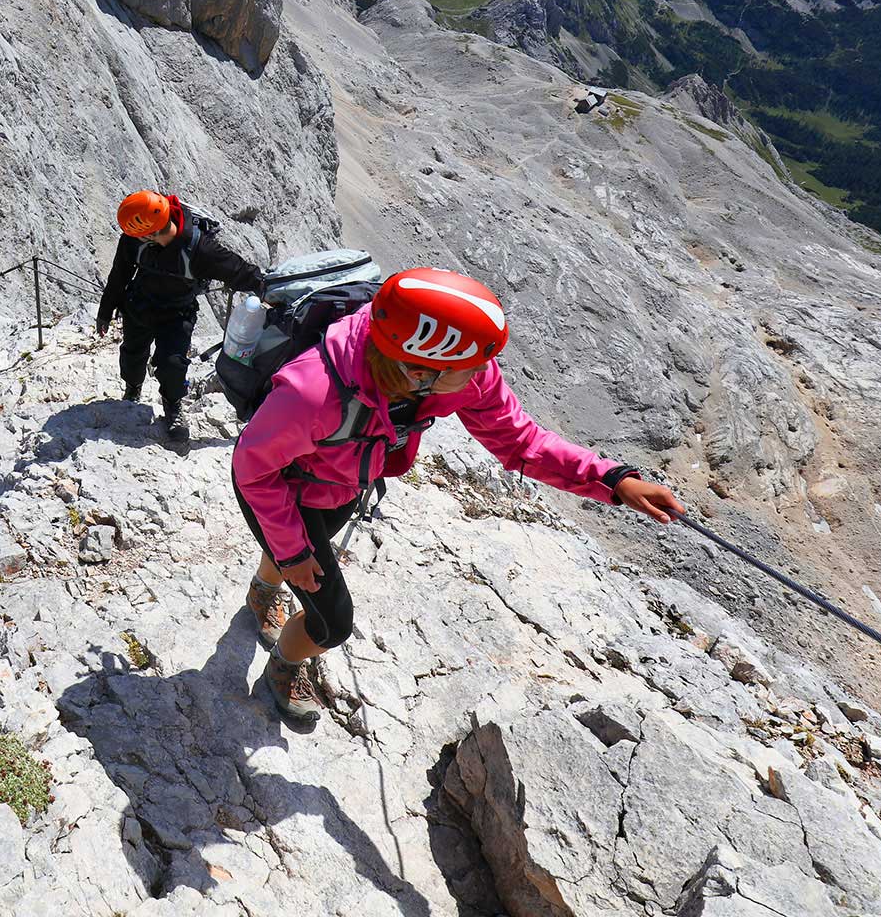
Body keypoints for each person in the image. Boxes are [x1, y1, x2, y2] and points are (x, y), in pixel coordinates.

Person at [232, 267, 684, 724]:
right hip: (282, 485)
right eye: (467, 369)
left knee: (308, 545)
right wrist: (293, 553)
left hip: (342, 480)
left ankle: (265, 588)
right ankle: (287, 661)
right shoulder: (314, 393)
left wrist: (612, 480)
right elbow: (253, 469)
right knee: (332, 623)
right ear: (417, 370)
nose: (481, 376)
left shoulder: (454, 372)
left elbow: (520, 441)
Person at [98, 191, 266, 444]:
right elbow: (120, 274)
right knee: (132, 354)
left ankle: (173, 405)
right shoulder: (135, 240)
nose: (130, 237)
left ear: (150, 233)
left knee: (173, 364)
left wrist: (271, 289)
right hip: (139, 304)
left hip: (177, 312)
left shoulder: (200, 249)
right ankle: (132, 388)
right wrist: (106, 309)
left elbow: (239, 271)